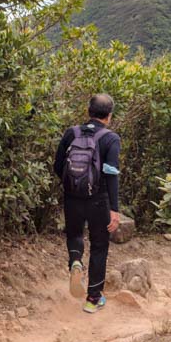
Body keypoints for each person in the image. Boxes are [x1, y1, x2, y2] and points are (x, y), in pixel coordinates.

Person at [53, 93, 121, 313]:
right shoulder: (111, 139)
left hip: (72, 198)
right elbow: (111, 175)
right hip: (99, 201)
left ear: (88, 111)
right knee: (99, 245)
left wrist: (74, 186)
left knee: (75, 235)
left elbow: (58, 166)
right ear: (109, 116)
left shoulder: (71, 133)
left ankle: (75, 261)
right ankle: (93, 299)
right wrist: (114, 209)